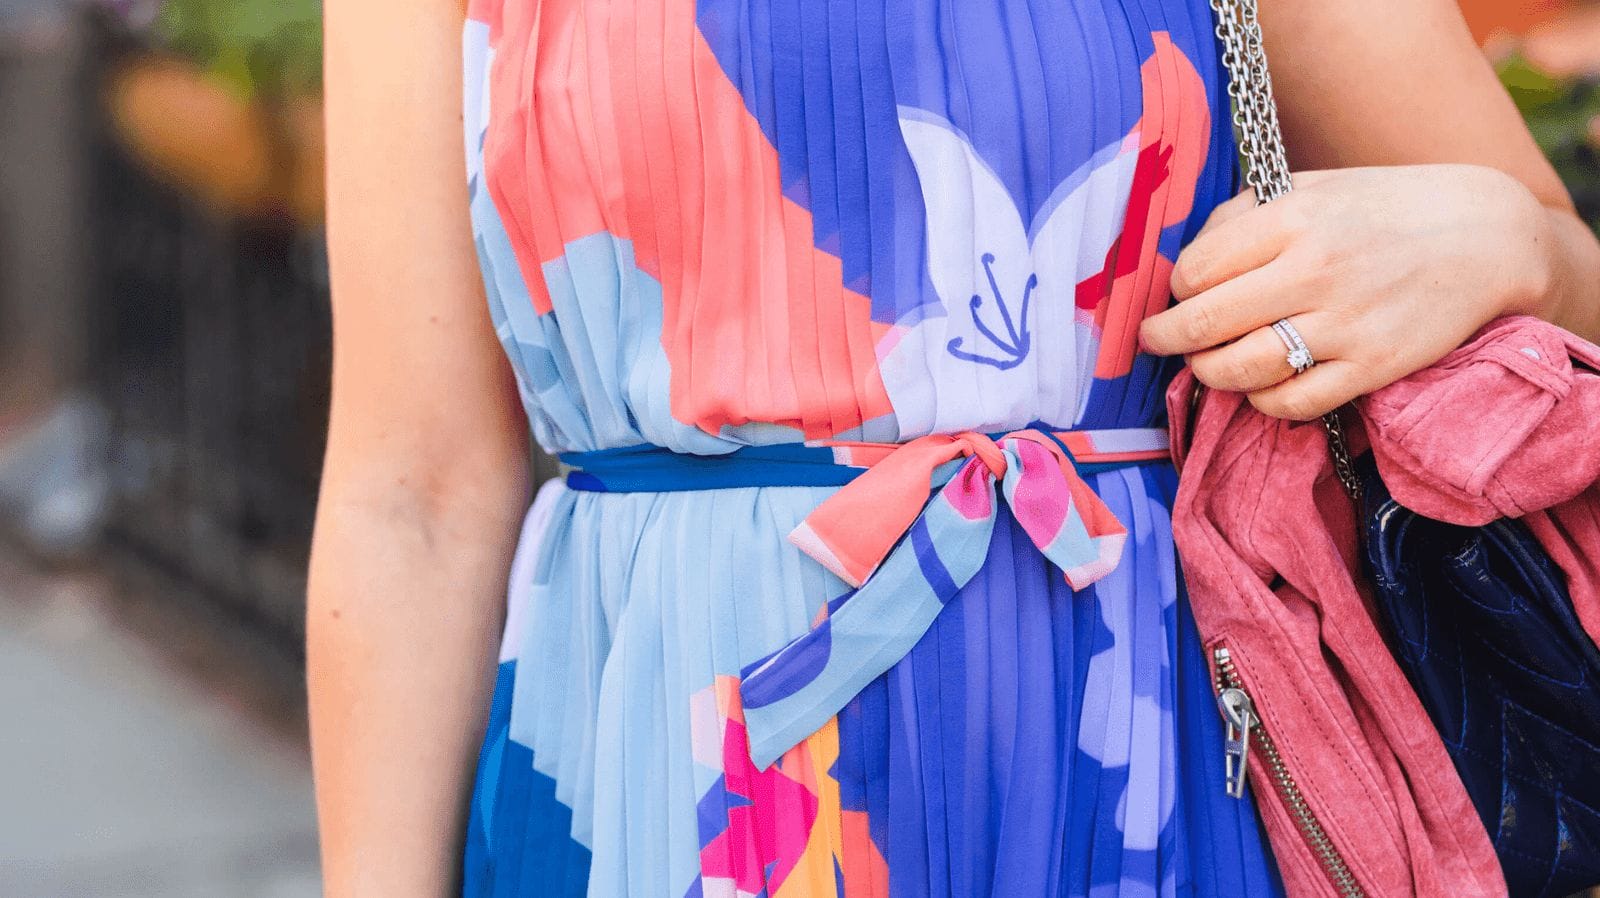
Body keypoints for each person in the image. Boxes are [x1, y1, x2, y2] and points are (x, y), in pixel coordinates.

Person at [307, 0, 1600, 894]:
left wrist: (1506, 239)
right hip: (654, 784)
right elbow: (411, 487)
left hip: (1143, 754)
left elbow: (1565, 289)